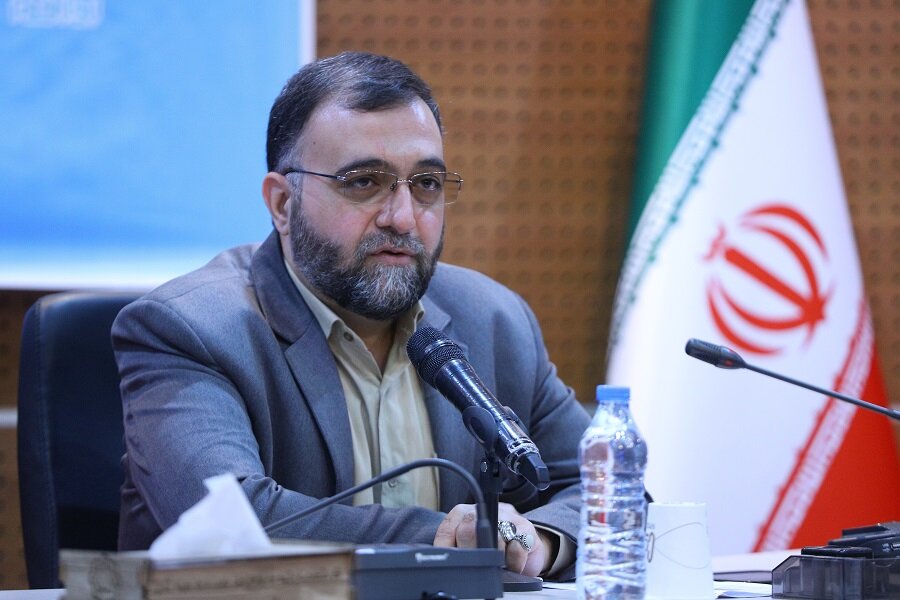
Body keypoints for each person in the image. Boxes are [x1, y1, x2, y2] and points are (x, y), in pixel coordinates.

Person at [112, 51, 590, 579]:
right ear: (282, 203)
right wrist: (456, 539)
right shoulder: (192, 329)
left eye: (426, 184)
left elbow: (607, 489)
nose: (403, 218)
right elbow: (230, 526)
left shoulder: (495, 320)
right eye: (364, 182)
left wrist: (540, 541)